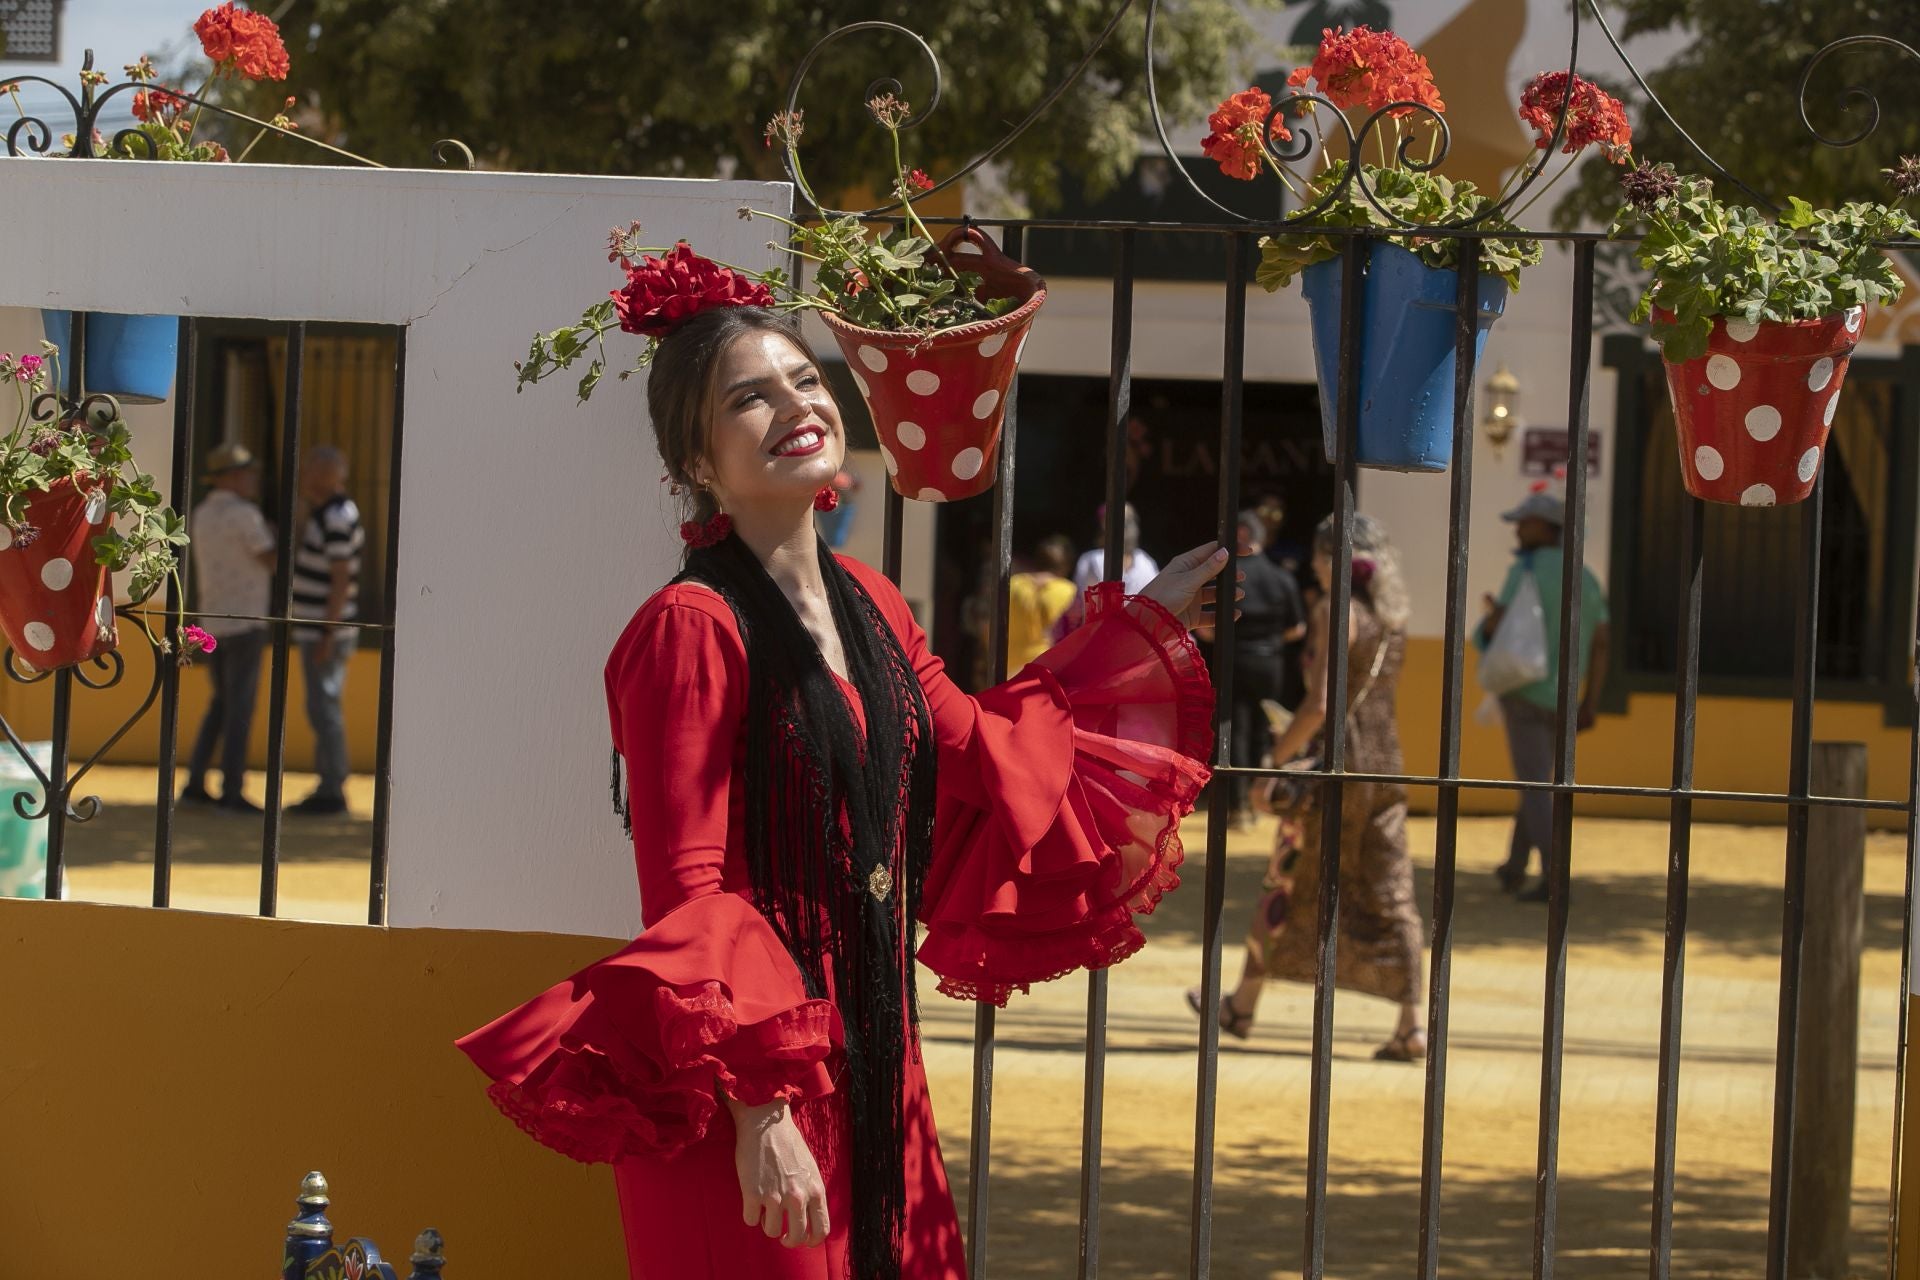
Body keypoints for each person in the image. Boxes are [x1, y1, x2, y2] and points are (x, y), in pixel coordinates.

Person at [455, 276, 1224, 1280]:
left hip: (874, 1060)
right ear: (697, 462)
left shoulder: (871, 598)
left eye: (802, 378)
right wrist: (760, 1110)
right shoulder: (689, 627)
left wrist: (1132, 628)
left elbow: (990, 748)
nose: (794, 405)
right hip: (746, 1078)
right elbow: (690, 890)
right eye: (748, 397)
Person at [1191, 513, 1427, 1062]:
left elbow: (1320, 704)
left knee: (1289, 876)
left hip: (1336, 766)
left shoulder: (1333, 609)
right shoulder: (1393, 616)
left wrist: (1274, 760)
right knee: (1393, 889)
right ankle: (1414, 1023)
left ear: (1327, 558)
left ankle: (1242, 1005)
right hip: (1385, 764)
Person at [1475, 484, 1610, 903]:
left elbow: (1499, 629)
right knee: (1539, 781)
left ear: (1545, 528)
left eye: (1524, 524)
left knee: (1535, 787)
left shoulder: (1527, 570)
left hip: (1526, 693)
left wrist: (1489, 620)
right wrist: (1590, 701)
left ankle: (1556, 875)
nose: (1517, 532)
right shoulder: (1586, 577)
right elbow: (1603, 641)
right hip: (1566, 698)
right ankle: (1514, 867)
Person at [182, 443, 275, 814]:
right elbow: (270, 559)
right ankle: (232, 789)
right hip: (246, 619)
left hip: (213, 621)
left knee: (220, 705)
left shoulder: (202, 514)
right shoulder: (246, 515)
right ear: (232, 478)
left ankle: (195, 783)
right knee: (239, 708)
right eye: (247, 473)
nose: (253, 479)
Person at [1197, 511, 1306, 828]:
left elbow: (1206, 627)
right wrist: (1270, 640)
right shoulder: (1281, 577)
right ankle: (1263, 802)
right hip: (1270, 662)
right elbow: (1297, 628)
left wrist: (1225, 638)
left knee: (1234, 731)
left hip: (1233, 661)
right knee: (1265, 730)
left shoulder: (1230, 576)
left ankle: (1238, 807)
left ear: (1242, 533)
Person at [289, 445, 364, 817]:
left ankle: (332, 789)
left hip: (325, 632)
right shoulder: (327, 513)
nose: (304, 477)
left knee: (325, 708)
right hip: (319, 630)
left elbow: (341, 577)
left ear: (326, 477)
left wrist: (328, 633)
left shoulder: (335, 517)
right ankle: (328, 784)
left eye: (310, 470)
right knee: (321, 707)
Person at [1005, 535, 1077, 670]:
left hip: (1009, 666)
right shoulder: (1069, 591)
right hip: (1046, 668)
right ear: (1066, 565)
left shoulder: (1013, 584)